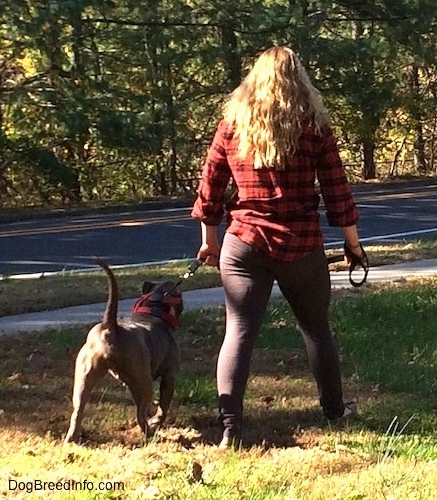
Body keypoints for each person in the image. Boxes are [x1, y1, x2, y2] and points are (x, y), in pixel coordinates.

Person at [191, 46, 364, 449]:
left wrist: (209, 241)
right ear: (298, 80)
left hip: (244, 244)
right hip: (300, 245)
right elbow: (338, 192)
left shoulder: (233, 125)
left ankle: (231, 429)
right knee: (317, 330)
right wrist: (353, 245)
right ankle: (335, 412)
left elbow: (210, 185)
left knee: (238, 331)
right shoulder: (314, 127)